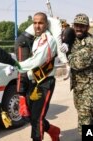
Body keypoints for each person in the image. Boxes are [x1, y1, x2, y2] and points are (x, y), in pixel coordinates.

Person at [17, 12, 60, 141]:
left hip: (45, 83)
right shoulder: (37, 39)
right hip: (33, 82)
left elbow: (36, 61)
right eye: (35, 23)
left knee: (37, 118)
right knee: (29, 116)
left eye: (40, 23)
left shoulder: (48, 40)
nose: (37, 26)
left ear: (46, 24)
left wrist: (15, 65)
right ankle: (53, 130)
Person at [60, 13, 93, 135]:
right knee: (83, 110)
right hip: (78, 83)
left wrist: (66, 53)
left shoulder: (90, 43)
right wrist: (66, 42)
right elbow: (66, 33)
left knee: (84, 113)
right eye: (77, 25)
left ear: (87, 27)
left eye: (82, 26)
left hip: (91, 83)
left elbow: (76, 64)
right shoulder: (73, 38)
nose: (79, 28)